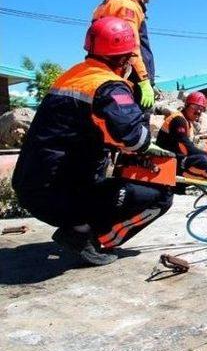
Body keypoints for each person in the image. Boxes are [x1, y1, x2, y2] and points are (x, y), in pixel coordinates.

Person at [12, 17, 174, 266]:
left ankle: (79, 226)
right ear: (123, 59)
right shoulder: (108, 86)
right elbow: (132, 136)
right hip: (60, 193)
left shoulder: (73, 76)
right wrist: (148, 145)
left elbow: (87, 129)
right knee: (160, 196)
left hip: (32, 188)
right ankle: (87, 238)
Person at [92, 0, 159, 110]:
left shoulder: (108, 4)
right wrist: (144, 80)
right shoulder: (127, 6)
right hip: (131, 78)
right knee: (136, 124)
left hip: (109, 76)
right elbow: (131, 46)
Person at [155, 91, 207, 183]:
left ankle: (204, 178)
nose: (198, 112)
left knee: (206, 160)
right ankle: (189, 182)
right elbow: (187, 148)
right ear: (187, 105)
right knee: (203, 160)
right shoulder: (178, 120)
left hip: (175, 159)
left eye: (201, 109)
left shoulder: (187, 122)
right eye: (195, 107)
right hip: (166, 160)